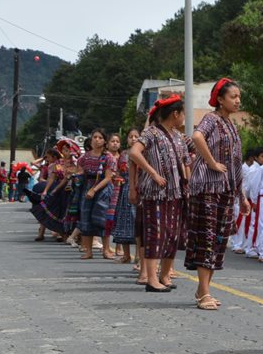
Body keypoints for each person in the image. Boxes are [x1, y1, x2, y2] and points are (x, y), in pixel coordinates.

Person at [185, 78, 251, 310]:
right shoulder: (211, 119)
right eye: (233, 96)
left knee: (219, 240)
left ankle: (203, 290)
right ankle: (204, 293)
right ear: (220, 100)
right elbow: (196, 137)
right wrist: (212, 162)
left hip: (225, 190)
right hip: (207, 189)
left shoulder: (231, 125)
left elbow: (234, 164)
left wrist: (241, 197)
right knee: (208, 238)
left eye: (238, 96)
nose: (237, 100)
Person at [128, 95, 189, 293]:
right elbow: (134, 153)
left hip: (176, 192)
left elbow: (186, 162)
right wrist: (153, 172)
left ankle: (164, 274)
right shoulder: (151, 133)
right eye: (183, 113)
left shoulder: (179, 137)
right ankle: (152, 278)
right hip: (155, 193)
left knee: (172, 235)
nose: (183, 118)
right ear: (175, 113)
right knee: (156, 233)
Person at [76, 129, 116, 260]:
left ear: (104, 141)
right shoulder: (84, 157)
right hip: (87, 187)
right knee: (86, 218)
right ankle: (88, 250)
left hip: (102, 189)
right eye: (95, 137)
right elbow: (81, 172)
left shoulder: (108, 157)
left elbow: (108, 177)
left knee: (102, 219)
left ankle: (106, 250)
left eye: (100, 137)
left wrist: (94, 190)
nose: (97, 140)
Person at [110, 129, 140, 265]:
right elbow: (118, 172)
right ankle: (127, 255)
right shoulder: (123, 154)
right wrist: (117, 178)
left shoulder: (142, 153)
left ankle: (139, 256)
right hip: (124, 191)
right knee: (123, 223)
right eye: (130, 137)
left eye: (136, 136)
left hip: (139, 190)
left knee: (138, 225)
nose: (133, 139)